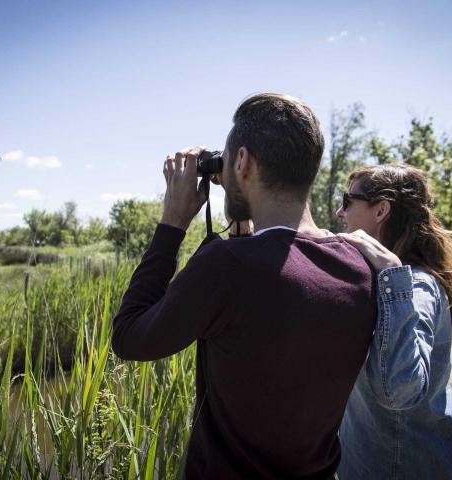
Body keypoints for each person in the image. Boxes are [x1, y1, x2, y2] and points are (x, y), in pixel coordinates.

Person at [112, 93, 377, 479]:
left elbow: (129, 337)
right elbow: (274, 293)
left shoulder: (226, 267)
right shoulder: (358, 266)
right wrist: (242, 219)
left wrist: (171, 223)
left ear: (241, 162)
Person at [335, 164, 452, 480]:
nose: (340, 211)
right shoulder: (387, 279)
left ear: (381, 209)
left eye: (347, 200)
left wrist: (391, 269)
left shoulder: (415, 284)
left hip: (398, 466)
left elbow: (398, 392)